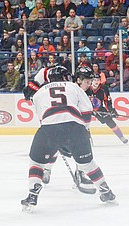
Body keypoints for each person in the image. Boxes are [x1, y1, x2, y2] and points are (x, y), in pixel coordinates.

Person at [21, 65, 116, 212]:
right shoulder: (73, 86)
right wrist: (80, 133)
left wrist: (56, 138)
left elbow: (42, 117)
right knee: (88, 164)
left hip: (49, 128)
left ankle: (33, 194)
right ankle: (106, 191)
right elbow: (86, 110)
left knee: (37, 162)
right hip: (75, 128)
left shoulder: (39, 92)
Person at [87, 68, 128, 144]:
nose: (96, 82)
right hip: (87, 109)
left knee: (110, 121)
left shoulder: (104, 88)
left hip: (99, 108)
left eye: (98, 80)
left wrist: (111, 110)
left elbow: (107, 101)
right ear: (91, 81)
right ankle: (87, 139)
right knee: (84, 122)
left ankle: (121, 137)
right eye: (95, 80)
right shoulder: (86, 88)